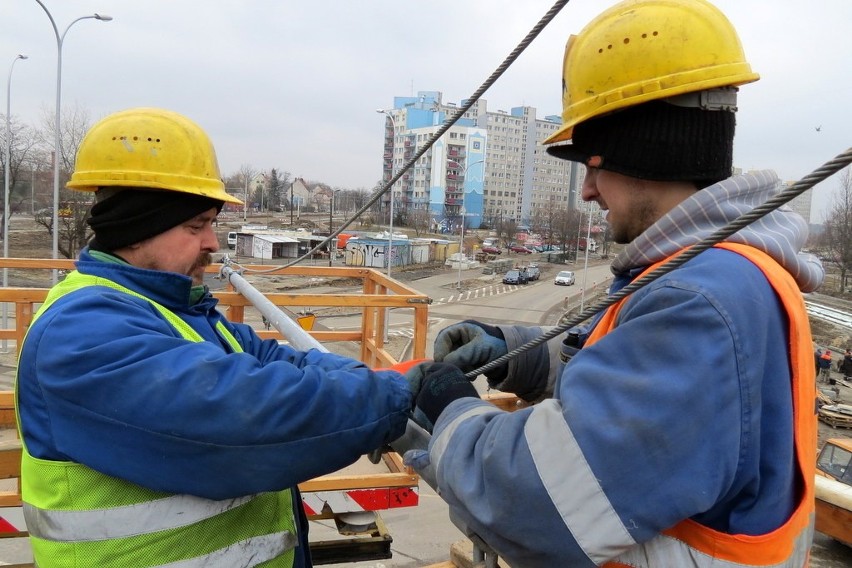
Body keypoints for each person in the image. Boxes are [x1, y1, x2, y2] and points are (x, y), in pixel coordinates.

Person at [401, 1, 821, 565]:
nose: (588, 191)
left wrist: (453, 413)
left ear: (647, 149)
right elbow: (631, 383)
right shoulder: (711, 274)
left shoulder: (701, 299)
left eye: (595, 163)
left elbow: (537, 501)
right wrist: (515, 354)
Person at [14, 108, 414, 568]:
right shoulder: (81, 334)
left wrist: (393, 380)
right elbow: (246, 417)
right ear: (137, 228)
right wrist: (395, 396)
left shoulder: (176, 309)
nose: (213, 244)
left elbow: (275, 361)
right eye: (196, 225)